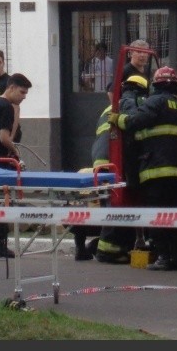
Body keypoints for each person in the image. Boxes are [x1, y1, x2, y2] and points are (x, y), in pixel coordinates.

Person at [108, 66, 177, 271]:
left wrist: (117, 118)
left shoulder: (156, 101)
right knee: (176, 216)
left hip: (156, 170)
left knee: (157, 215)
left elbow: (134, 121)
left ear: (156, 85)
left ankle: (163, 257)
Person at [0, 72, 33, 258]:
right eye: (22, 92)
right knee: (4, 200)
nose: (24, 97)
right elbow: (4, 138)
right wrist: (16, 152)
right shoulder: (7, 107)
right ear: (11, 88)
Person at [95, 74, 149, 264]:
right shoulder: (129, 104)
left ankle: (115, 248)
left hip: (101, 163)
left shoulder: (109, 109)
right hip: (112, 163)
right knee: (113, 206)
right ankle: (106, 251)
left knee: (110, 205)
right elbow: (133, 129)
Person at [71, 81, 113, 261]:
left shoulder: (105, 112)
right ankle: (97, 246)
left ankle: (82, 248)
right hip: (109, 170)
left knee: (82, 206)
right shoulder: (118, 110)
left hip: (98, 169)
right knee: (110, 210)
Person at [0, 48, 22, 143]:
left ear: (3, 63)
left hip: (7, 133)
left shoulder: (9, 83)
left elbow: (16, 109)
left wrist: (11, 138)